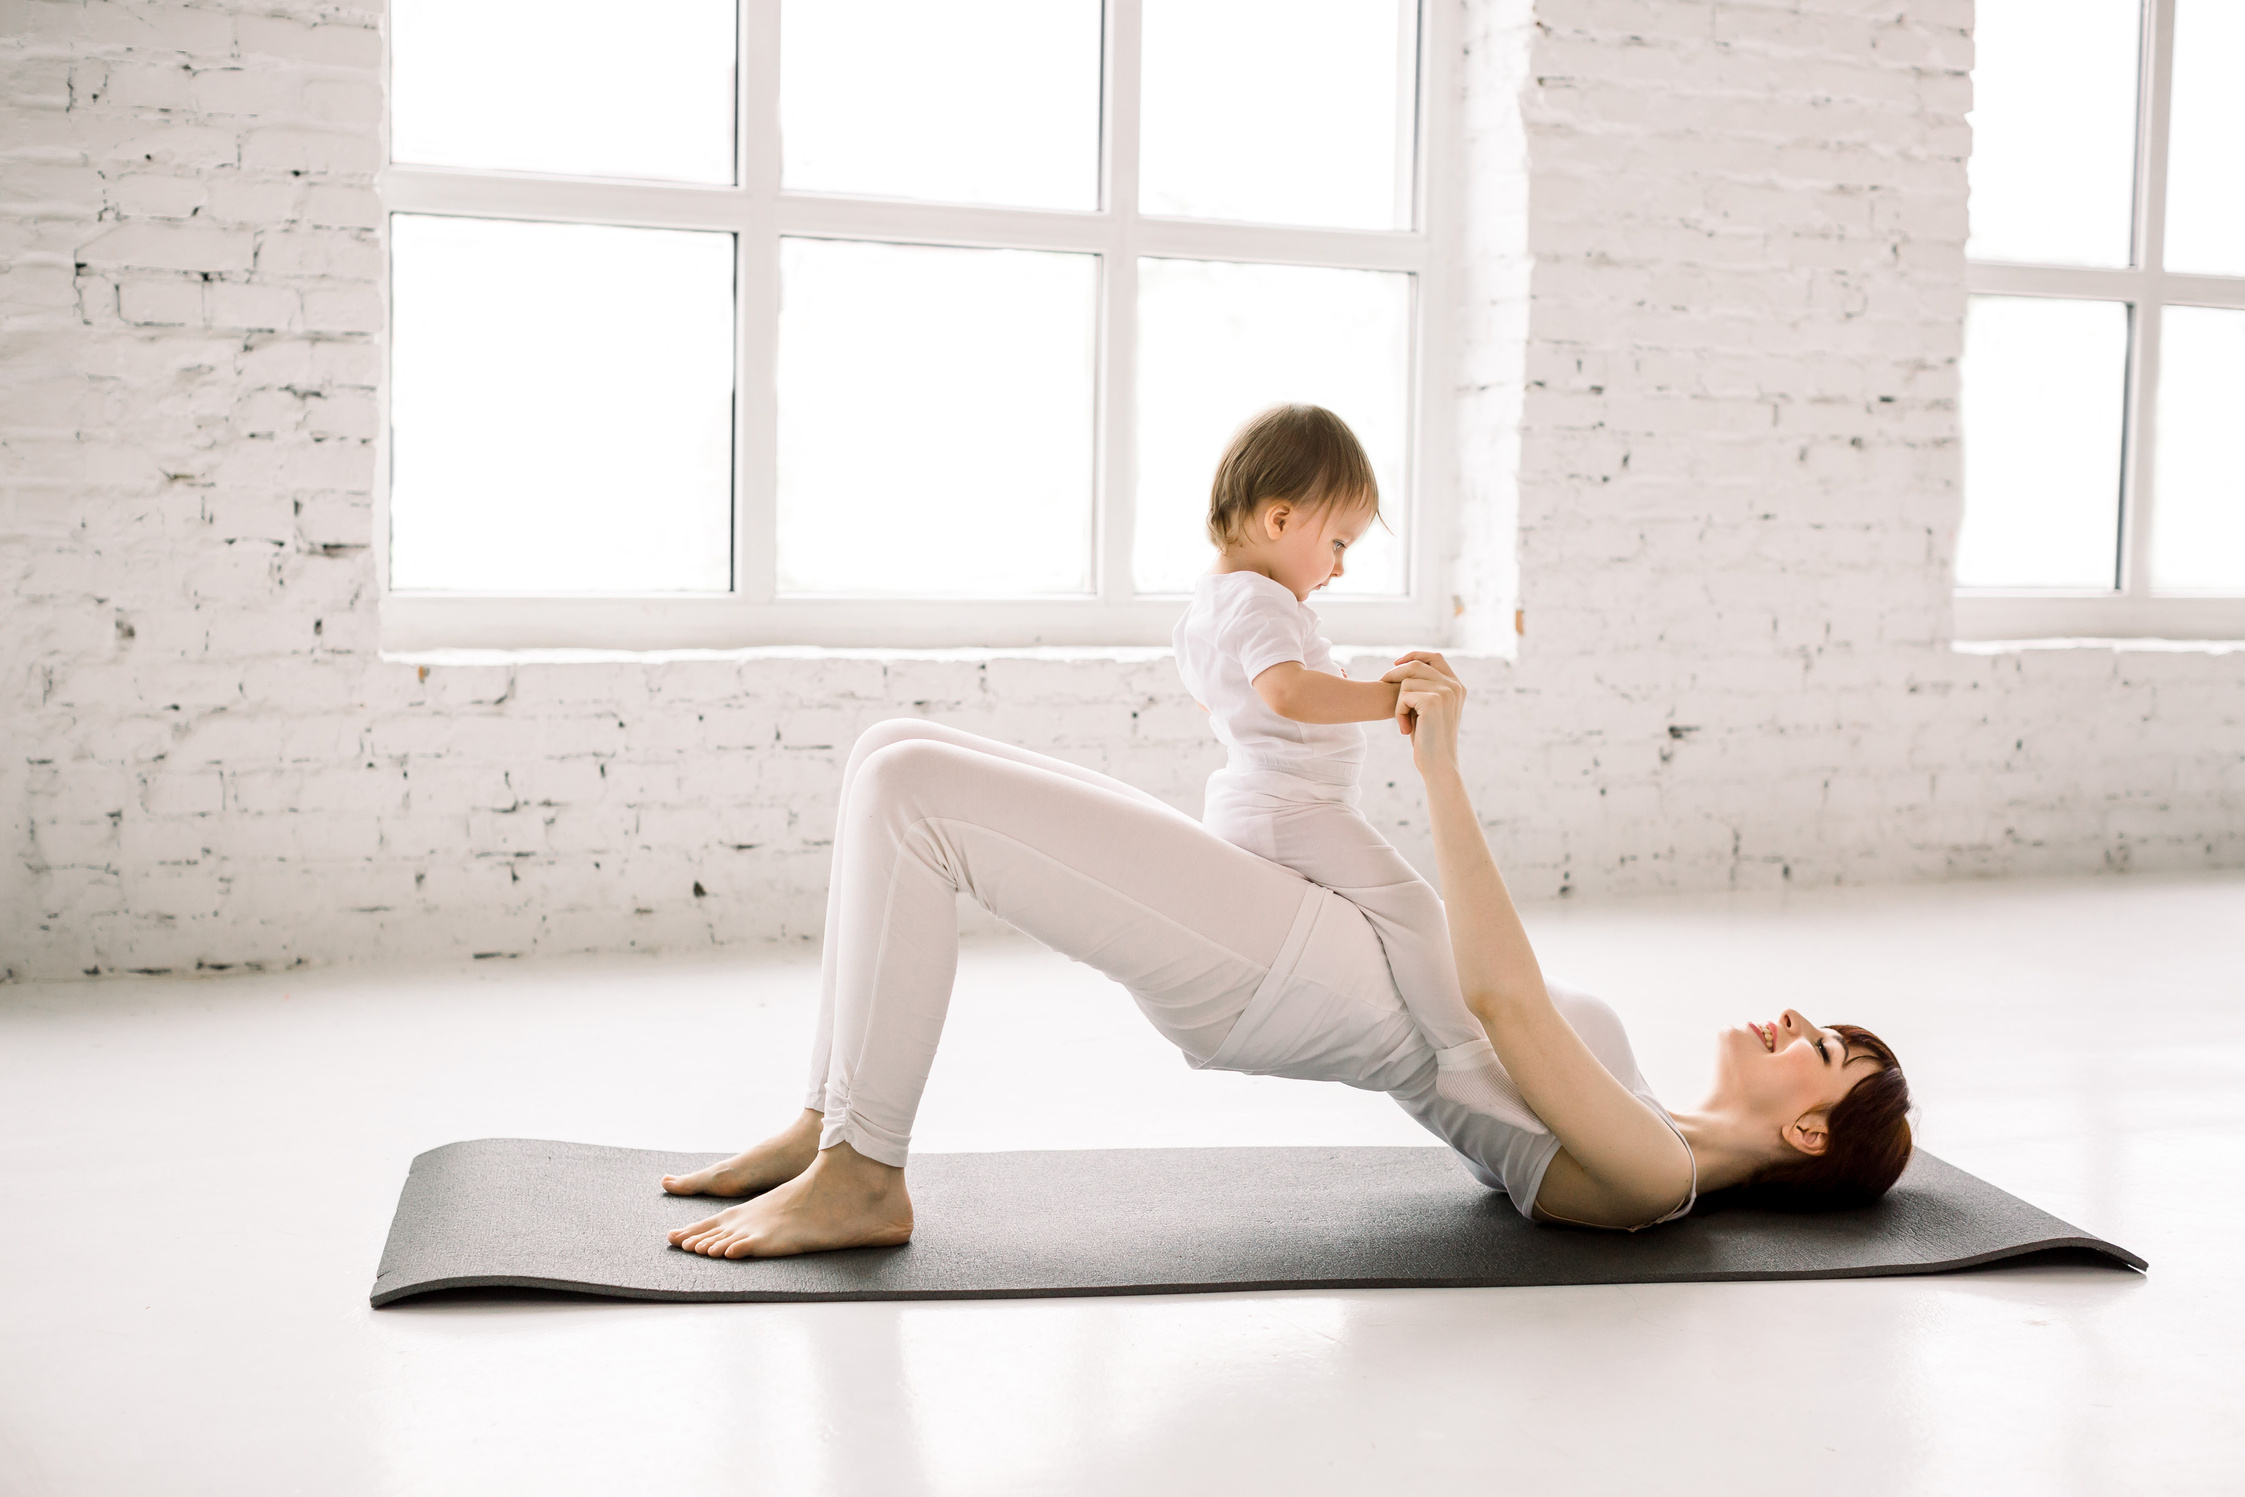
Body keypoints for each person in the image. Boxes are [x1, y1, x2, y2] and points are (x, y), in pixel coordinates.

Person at [661, 653, 1913, 1258]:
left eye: (1821, 1051)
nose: (1793, 1020)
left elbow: (1493, 999)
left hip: (1281, 976)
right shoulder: (1645, 1115)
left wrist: (1441, 771)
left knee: (922, 793)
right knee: (895, 751)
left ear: (1809, 1133)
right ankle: (827, 1117)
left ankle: (864, 1176)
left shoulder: (1652, 1177)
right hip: (1306, 929)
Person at [1172, 403, 1542, 1133]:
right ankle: (1466, 1058)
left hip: (1260, 798)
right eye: (1338, 542)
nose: (1340, 566)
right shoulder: (1259, 602)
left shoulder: (1211, 603)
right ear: (1279, 522)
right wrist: (1389, 698)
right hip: (1295, 808)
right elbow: (1287, 692)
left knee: (1351, 927)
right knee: (1412, 912)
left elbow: (1223, 703)